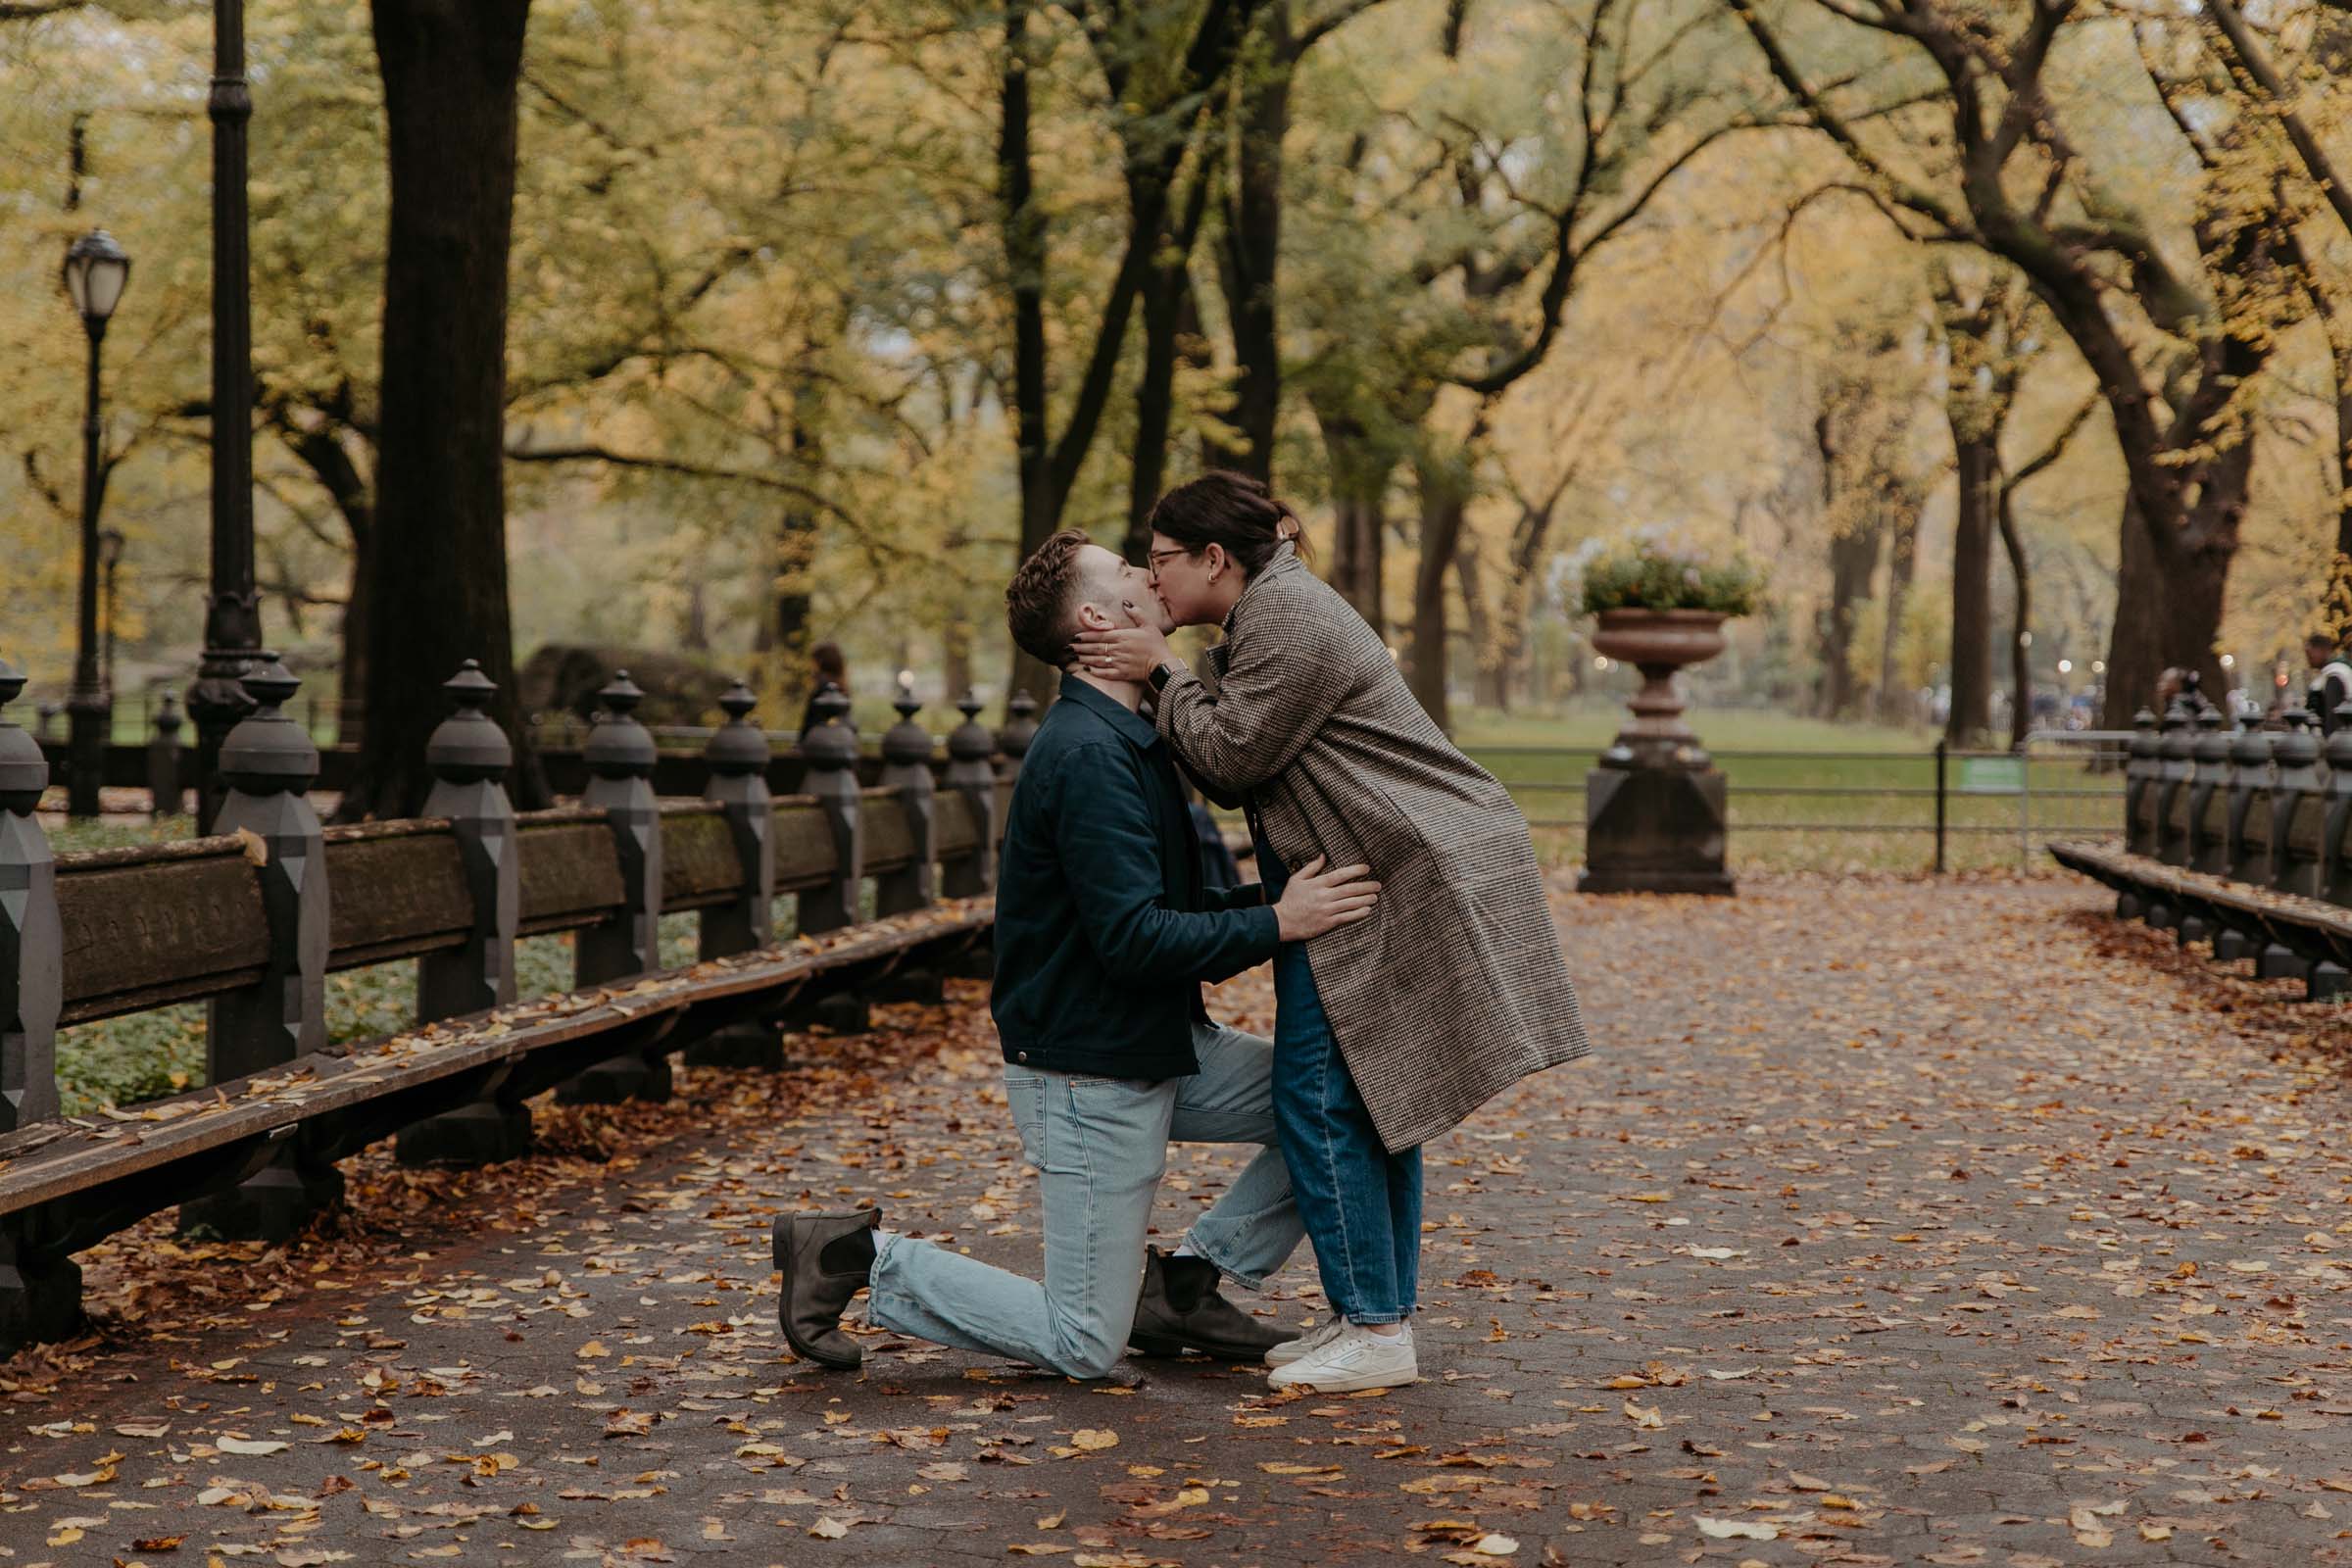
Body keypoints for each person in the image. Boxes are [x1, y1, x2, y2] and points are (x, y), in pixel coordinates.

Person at [771, 530, 1382, 1380]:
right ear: (1098, 617)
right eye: (1128, 570)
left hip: (1155, 1045)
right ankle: (856, 1256)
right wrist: (1279, 922)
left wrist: (1272, 906)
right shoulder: (1089, 755)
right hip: (1089, 1074)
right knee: (1084, 1342)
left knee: (1345, 1102)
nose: (1150, 575)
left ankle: (1187, 1283)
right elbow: (1136, 941)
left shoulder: (1130, 735)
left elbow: (1155, 913)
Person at [1075, 469, 1592, 1394]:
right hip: (1362, 867)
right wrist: (1175, 675)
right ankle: (1371, 1315)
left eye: (1160, 561)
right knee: (1375, 1095)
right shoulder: (1269, 612)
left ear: (1214, 559)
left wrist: (1159, 669)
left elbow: (1230, 757)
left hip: (1391, 868)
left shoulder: (1286, 616)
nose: (1151, 582)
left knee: (1317, 1098)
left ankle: (1377, 1325)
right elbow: (1232, 754)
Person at [797, 642, 854, 741]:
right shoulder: (842, 689)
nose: (810, 666)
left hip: (817, 743)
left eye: (813, 661)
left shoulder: (822, 688)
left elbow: (810, 724)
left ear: (820, 662)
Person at [2305, 634, 2352, 733]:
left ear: (2324, 651)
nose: (2308, 658)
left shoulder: (2335, 674)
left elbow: (2334, 717)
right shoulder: (2326, 676)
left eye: (2310, 654)